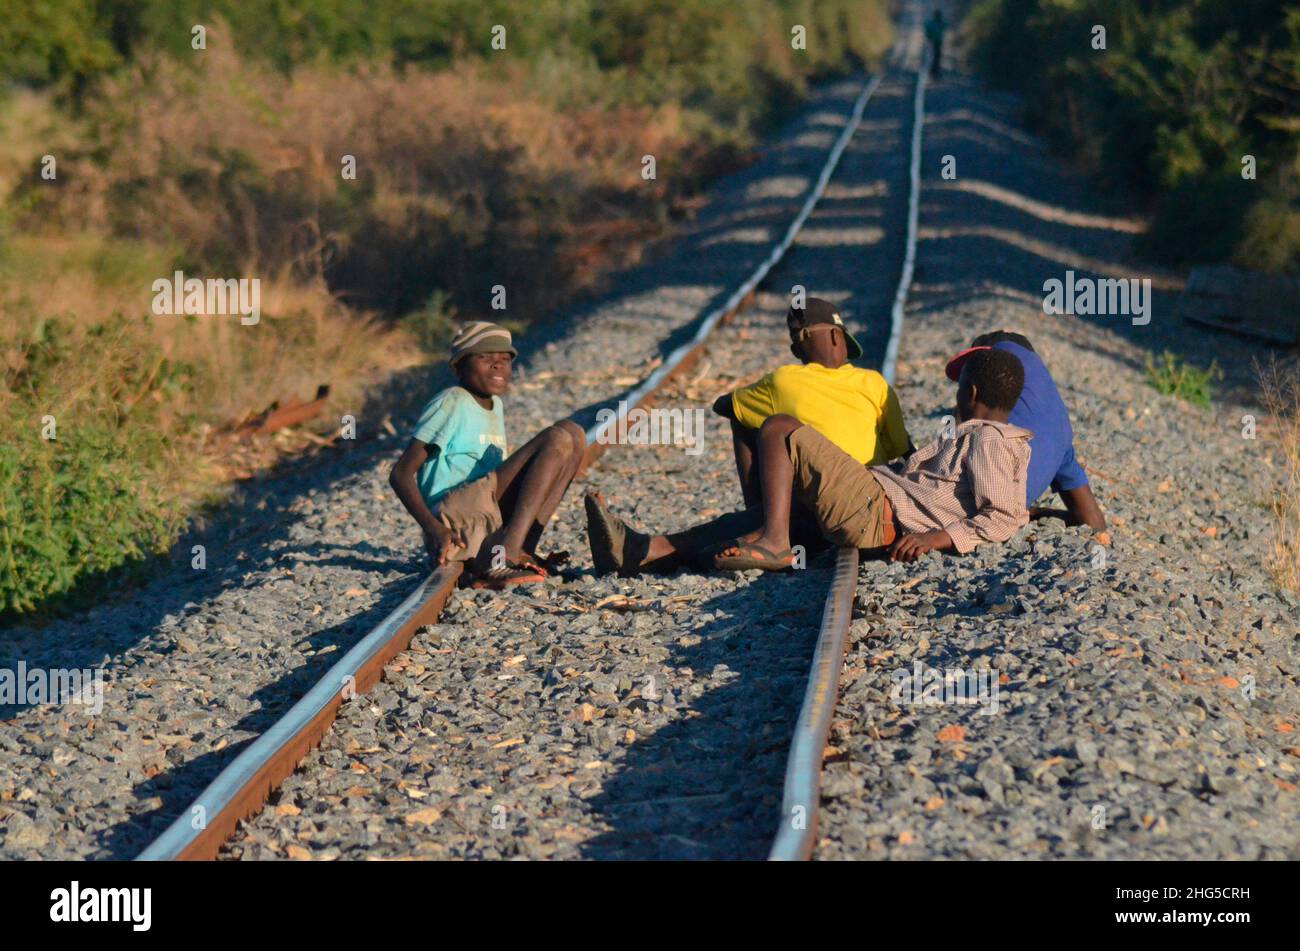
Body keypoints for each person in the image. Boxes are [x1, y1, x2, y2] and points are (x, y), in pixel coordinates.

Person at [585, 297, 912, 575]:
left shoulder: (784, 380)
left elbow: (725, 405)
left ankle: (764, 524)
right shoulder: (875, 384)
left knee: (757, 421)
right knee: (716, 548)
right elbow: (901, 449)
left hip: (824, 511)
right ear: (840, 339)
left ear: (797, 347)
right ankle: (644, 551)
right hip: (867, 506)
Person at [704, 346, 1032, 570]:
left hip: (875, 509)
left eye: (959, 386)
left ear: (970, 392)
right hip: (874, 501)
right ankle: (757, 531)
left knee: (779, 427)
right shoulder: (978, 435)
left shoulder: (989, 438)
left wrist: (936, 538)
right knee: (719, 536)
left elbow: (1003, 516)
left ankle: (774, 540)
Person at [389, 321, 585, 588]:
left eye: (505, 359)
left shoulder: (496, 406)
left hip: (484, 514)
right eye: (485, 358)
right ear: (459, 366)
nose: (498, 366)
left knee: (574, 432)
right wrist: (433, 529)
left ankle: (522, 548)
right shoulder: (451, 402)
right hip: (455, 520)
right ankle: (505, 557)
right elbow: (400, 474)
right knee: (556, 437)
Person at [943, 331, 1106, 532]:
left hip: (963, 511)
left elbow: (944, 454)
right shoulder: (1062, 431)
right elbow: (1093, 521)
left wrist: (950, 422)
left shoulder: (989, 431)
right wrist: (1029, 514)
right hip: (1009, 512)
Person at [925, 8, 947, 78]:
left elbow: (946, 26)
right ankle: (933, 70)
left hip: (937, 42)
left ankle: (934, 70)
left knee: (936, 57)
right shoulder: (935, 23)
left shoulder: (937, 23)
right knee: (934, 56)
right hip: (934, 42)